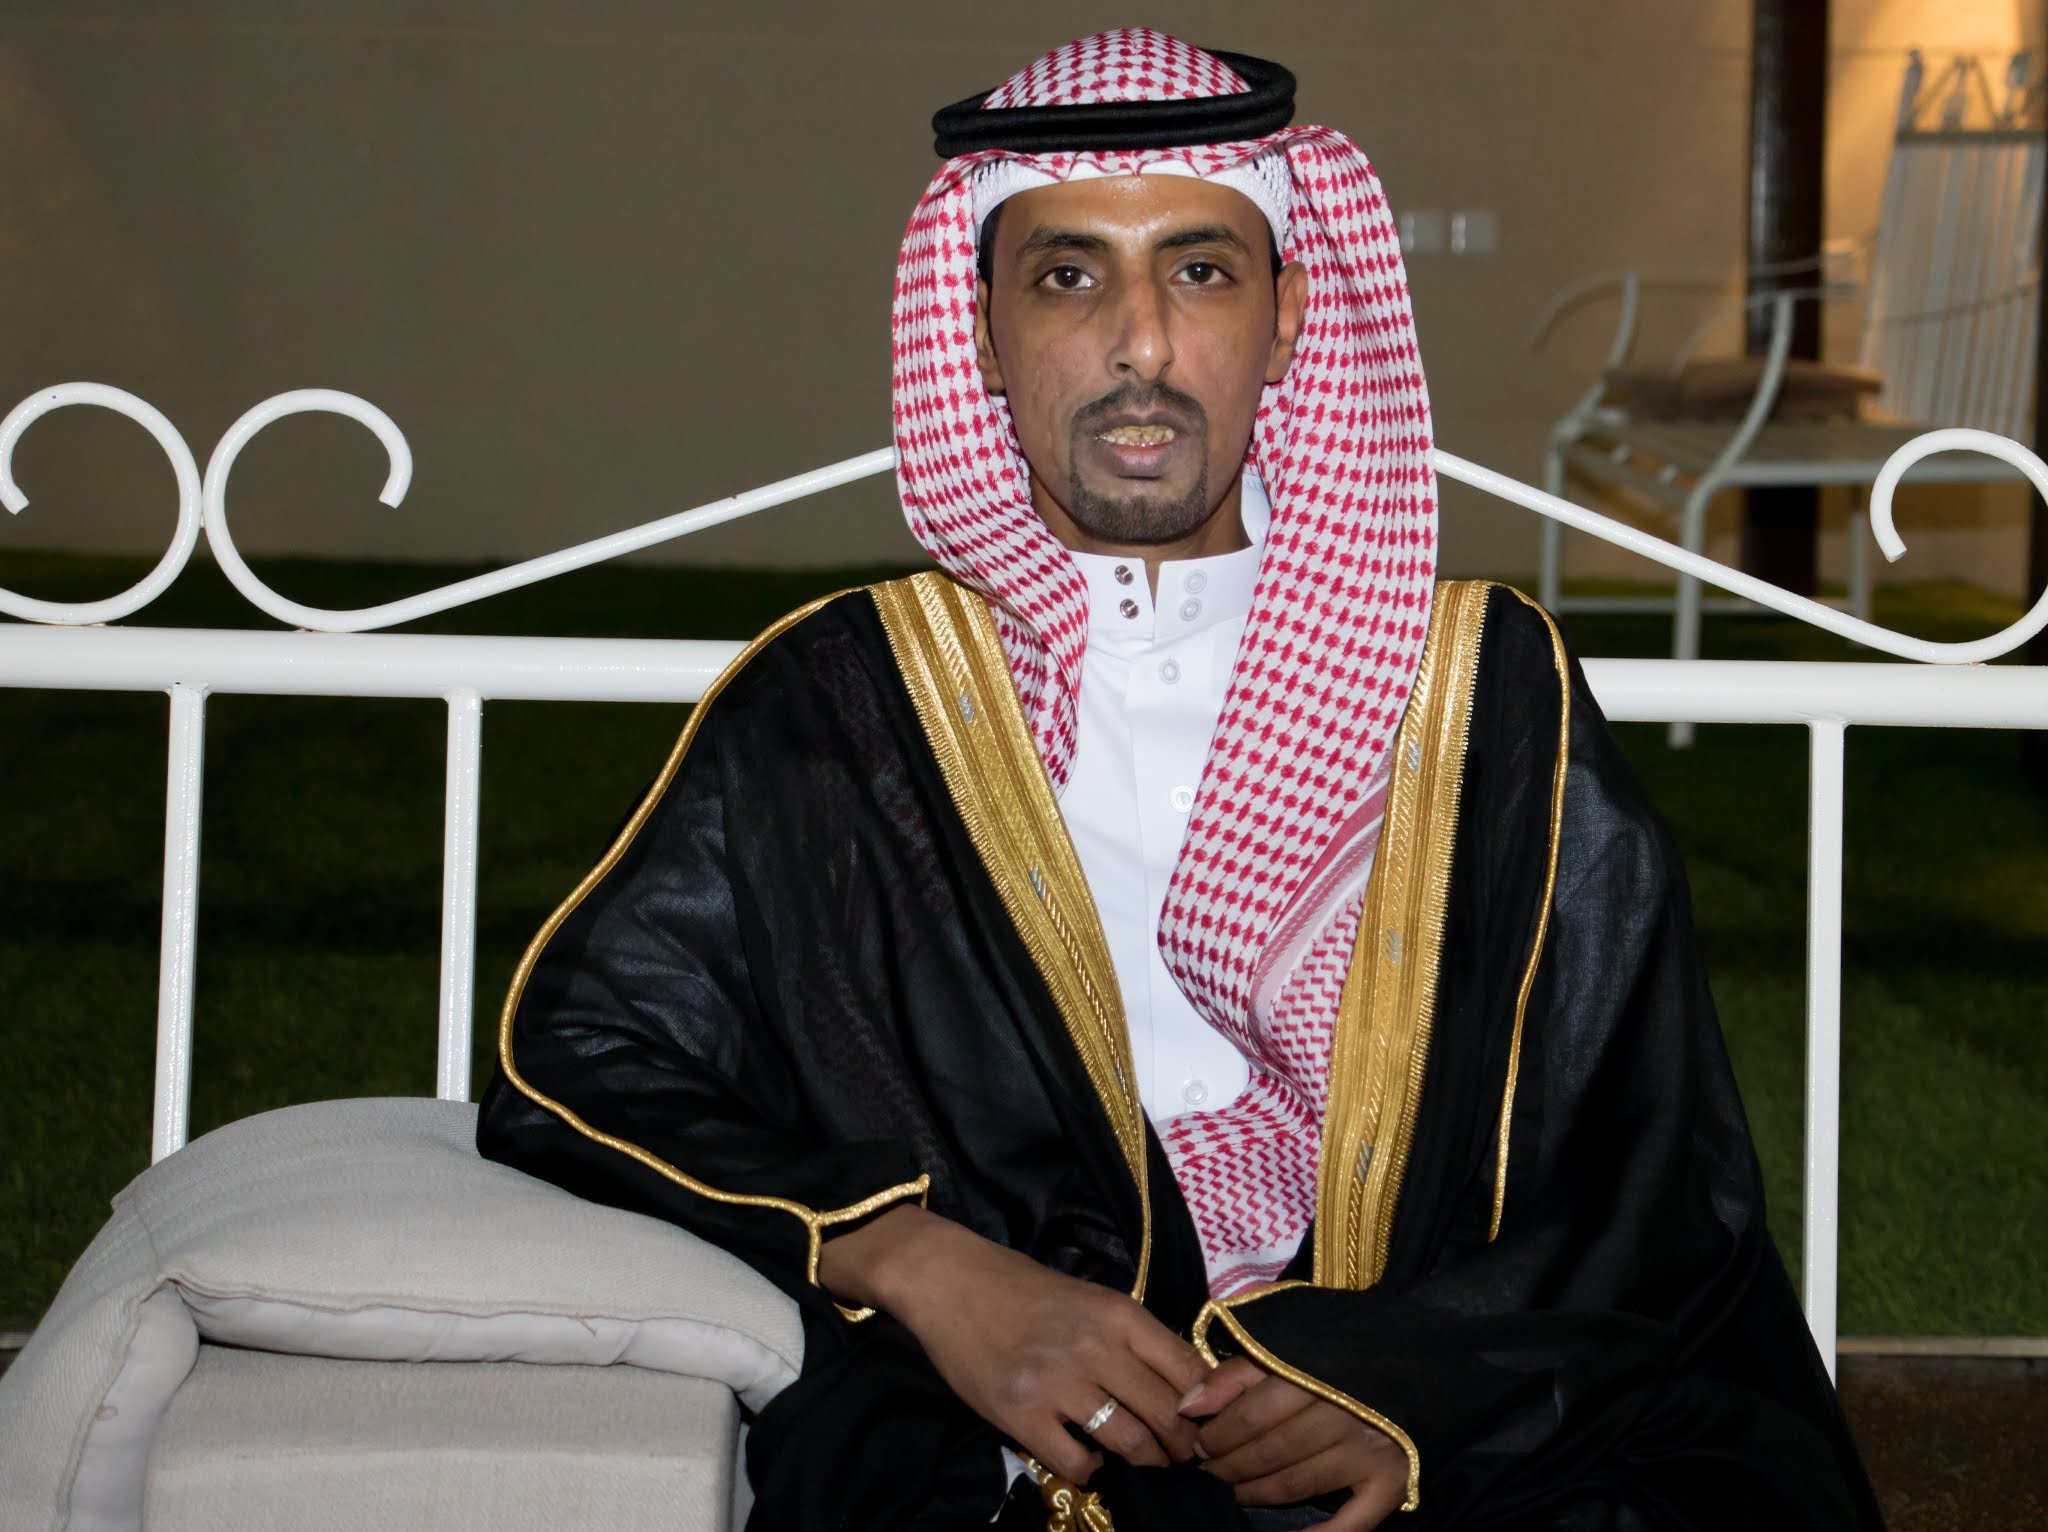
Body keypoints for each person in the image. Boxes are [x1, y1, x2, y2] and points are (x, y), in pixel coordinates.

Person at [478, 29, 1882, 1532]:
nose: (1140, 343)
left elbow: (1647, 1162)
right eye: (1068, 276)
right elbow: (580, 1057)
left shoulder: (1481, 690)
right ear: (982, 330)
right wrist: (927, 1268)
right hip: (1007, 1432)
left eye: (1201, 271)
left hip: (1424, 1410)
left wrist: (1419, 1388)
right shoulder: (843, 707)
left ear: (1287, 320)